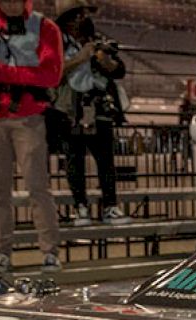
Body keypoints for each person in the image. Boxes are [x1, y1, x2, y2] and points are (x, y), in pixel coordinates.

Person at [0, 0, 63, 273]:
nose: (10, 5)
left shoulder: (44, 27)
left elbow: (50, 75)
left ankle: (49, 251)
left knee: (37, 187)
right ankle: (0, 252)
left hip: (28, 116)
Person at [54, 0, 129, 227]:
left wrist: (103, 60)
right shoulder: (57, 45)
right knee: (74, 160)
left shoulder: (97, 43)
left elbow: (119, 70)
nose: (82, 19)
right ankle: (81, 208)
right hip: (70, 110)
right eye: (77, 15)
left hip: (99, 108)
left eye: (84, 15)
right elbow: (54, 74)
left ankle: (110, 206)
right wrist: (80, 58)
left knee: (106, 161)